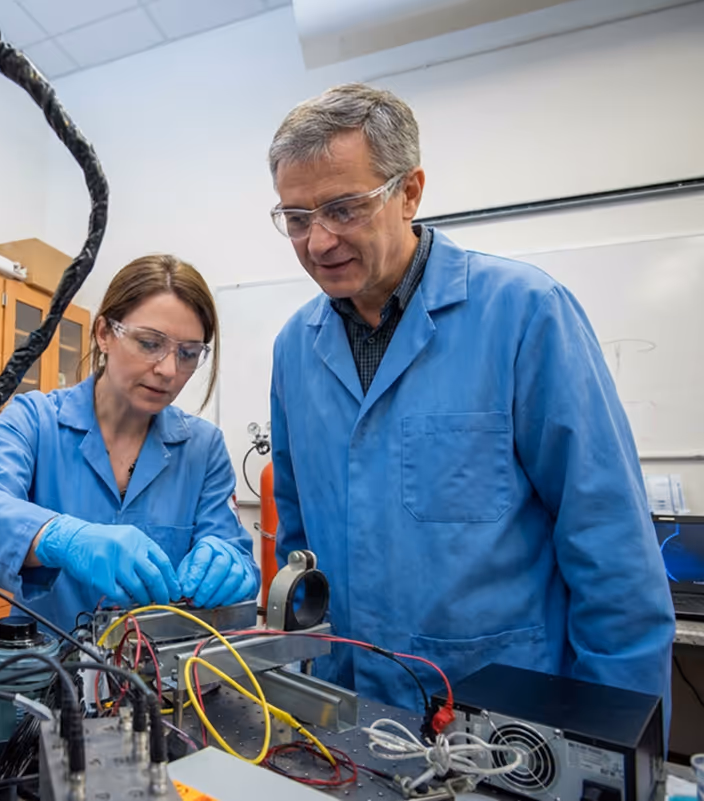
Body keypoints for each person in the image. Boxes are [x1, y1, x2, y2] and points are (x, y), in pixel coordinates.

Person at [266, 83, 674, 718]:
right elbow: (298, 541)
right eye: (296, 219)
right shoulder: (295, 347)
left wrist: (612, 750)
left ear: (409, 192)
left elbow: (611, 551)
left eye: (344, 208)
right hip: (345, 713)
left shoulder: (526, 314)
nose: (318, 242)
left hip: (504, 716)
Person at [0, 255, 260, 632]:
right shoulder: (36, 420)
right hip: (50, 674)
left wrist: (229, 565)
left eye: (188, 354)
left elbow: (232, 550)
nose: (168, 370)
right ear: (104, 334)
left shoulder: (203, 447)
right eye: (149, 343)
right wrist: (63, 538)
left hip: (163, 679)